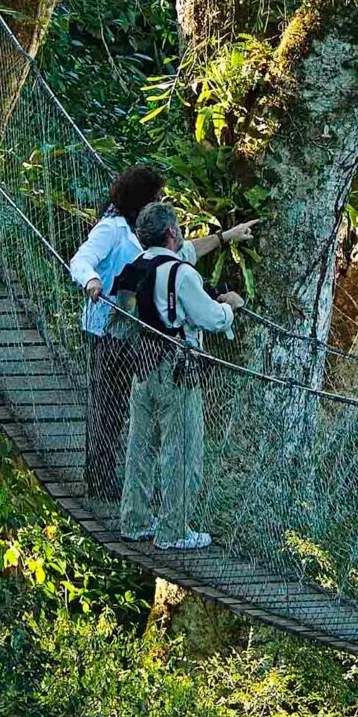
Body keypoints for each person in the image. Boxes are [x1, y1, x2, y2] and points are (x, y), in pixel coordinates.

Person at [110, 200, 242, 553]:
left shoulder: (136, 267)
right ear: (171, 232)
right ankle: (173, 530)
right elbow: (210, 318)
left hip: (142, 368)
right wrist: (231, 306)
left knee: (141, 448)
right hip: (176, 370)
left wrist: (224, 237)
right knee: (182, 450)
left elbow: (124, 319)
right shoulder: (180, 273)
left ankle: (135, 521)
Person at [68, 163, 166, 500]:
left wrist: (225, 237)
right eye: (156, 196)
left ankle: (106, 476)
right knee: (106, 406)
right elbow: (81, 259)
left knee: (117, 407)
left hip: (129, 331)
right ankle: (98, 481)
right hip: (106, 331)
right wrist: (92, 279)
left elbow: (176, 256)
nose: (160, 202)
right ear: (141, 198)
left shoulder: (137, 231)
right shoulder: (111, 228)